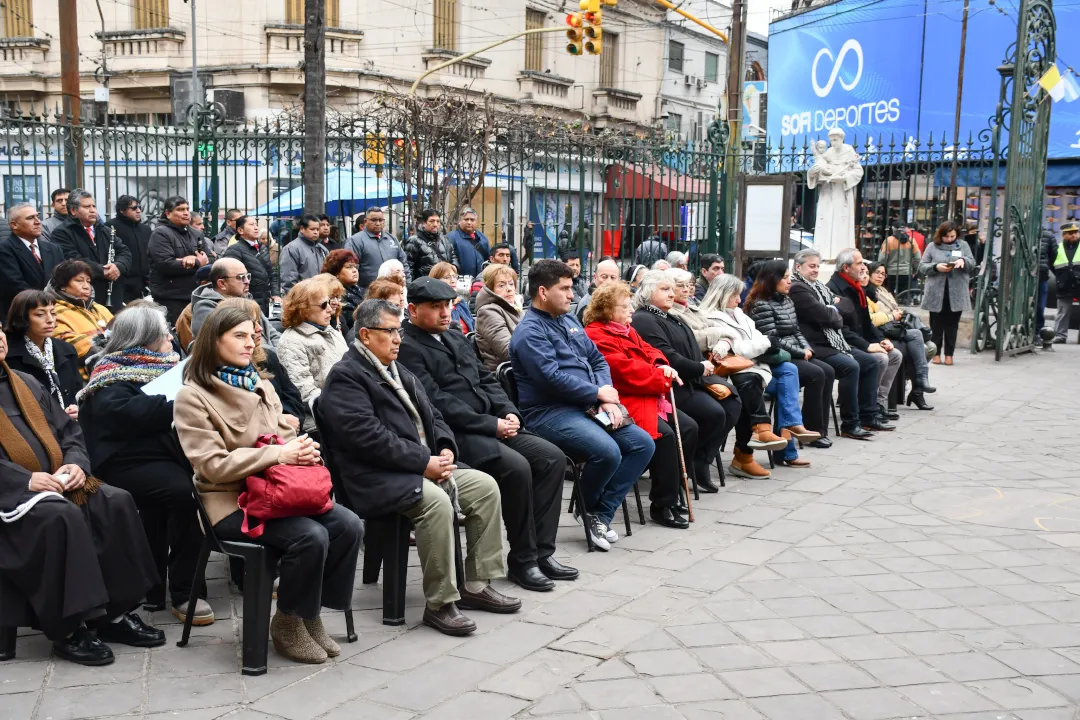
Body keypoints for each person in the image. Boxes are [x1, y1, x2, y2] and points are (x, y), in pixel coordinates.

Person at [318, 299, 520, 635]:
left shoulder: (398, 370)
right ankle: (440, 603)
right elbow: (368, 439)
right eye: (390, 331)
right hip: (377, 477)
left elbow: (435, 416)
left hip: (419, 465)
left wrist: (444, 449)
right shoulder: (346, 376)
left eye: (398, 331)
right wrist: (422, 462)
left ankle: (474, 585)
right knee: (437, 504)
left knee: (485, 487)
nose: (398, 338)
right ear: (365, 335)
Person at [174, 305, 361, 663]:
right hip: (231, 503)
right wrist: (278, 455)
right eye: (239, 336)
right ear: (214, 341)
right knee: (311, 535)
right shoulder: (192, 396)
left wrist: (300, 447)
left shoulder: (258, 382)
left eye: (252, 334)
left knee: (348, 525)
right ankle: (288, 623)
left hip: (279, 491)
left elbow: (281, 436)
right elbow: (211, 466)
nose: (250, 342)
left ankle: (308, 613)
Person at [0, 323, 164, 667]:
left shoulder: (26, 382)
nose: (0, 338)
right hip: (12, 496)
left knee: (115, 501)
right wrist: (26, 481)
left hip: (58, 481)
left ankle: (114, 616)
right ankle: (69, 628)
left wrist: (75, 465)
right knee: (60, 517)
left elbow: (69, 431)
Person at [398, 278, 572, 591]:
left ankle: (543, 553)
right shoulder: (407, 347)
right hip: (459, 435)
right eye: (435, 307)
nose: (445, 313)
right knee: (517, 468)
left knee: (551, 458)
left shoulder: (454, 337)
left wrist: (508, 413)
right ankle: (524, 560)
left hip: (495, 423)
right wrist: (490, 425)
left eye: (448, 305)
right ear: (413, 309)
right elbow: (436, 402)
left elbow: (487, 380)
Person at [77, 303, 213, 626]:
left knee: (184, 488)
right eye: (161, 333)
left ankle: (157, 588)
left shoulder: (166, 363)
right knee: (186, 494)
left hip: (164, 454)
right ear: (143, 338)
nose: (169, 337)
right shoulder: (110, 369)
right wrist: (179, 401)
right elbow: (124, 414)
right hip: (123, 460)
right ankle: (184, 591)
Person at [510, 260, 654, 550]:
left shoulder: (569, 320)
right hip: (549, 412)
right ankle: (589, 510)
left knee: (642, 444)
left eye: (571, 287)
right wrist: (598, 395)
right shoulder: (529, 332)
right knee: (608, 452)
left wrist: (605, 396)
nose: (572, 295)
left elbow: (597, 360)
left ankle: (598, 513)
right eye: (564, 288)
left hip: (586, 405)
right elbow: (551, 378)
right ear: (542, 292)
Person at [583, 281, 695, 529]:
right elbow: (624, 371)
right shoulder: (597, 334)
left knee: (688, 428)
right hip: (625, 398)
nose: (631, 310)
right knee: (665, 437)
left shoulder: (626, 329)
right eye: (625, 307)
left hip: (646, 393)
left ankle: (673, 491)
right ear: (608, 311)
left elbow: (649, 350)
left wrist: (659, 364)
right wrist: (661, 377)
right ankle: (662, 504)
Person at [711, 271, 820, 469]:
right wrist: (767, 343)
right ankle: (769, 446)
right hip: (738, 371)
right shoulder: (712, 317)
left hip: (756, 365)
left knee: (789, 370)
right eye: (734, 295)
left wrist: (771, 343)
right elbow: (740, 348)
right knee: (760, 386)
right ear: (722, 294)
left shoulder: (739, 314)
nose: (738, 299)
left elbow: (764, 336)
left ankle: (789, 432)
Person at [789, 249, 887, 440]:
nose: (816, 270)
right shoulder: (798, 288)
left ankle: (868, 416)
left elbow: (848, 308)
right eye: (811, 266)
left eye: (818, 266)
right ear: (798, 267)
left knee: (870, 362)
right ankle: (850, 424)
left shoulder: (818, 286)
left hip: (833, 341)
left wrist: (832, 311)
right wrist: (833, 310)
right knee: (851, 366)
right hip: (816, 345)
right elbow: (824, 315)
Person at [743, 260, 835, 449]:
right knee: (816, 374)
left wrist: (806, 349)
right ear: (772, 279)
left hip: (796, 352)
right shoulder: (761, 304)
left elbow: (796, 330)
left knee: (828, 370)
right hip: (776, 355)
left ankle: (819, 429)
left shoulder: (787, 300)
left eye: (789, 277)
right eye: (785, 278)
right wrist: (800, 352)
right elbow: (772, 339)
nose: (789, 281)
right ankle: (809, 427)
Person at [828, 249, 902, 423]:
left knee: (895, 355)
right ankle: (866, 408)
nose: (863, 267)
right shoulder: (835, 289)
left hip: (859, 340)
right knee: (879, 359)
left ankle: (878, 403)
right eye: (859, 263)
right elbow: (842, 329)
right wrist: (867, 346)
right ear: (846, 268)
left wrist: (881, 340)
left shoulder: (857, 288)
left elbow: (867, 323)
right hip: (844, 343)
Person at [220, 297, 304, 428]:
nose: (259, 329)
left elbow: (293, 396)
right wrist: (279, 420)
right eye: (253, 324)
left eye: (259, 322)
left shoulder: (268, 356)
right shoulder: (223, 373)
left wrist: (291, 419)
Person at [4, 289, 84, 420]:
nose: (50, 320)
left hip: (68, 427)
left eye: (53, 313)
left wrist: (76, 407)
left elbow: (77, 391)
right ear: (22, 317)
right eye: (40, 314)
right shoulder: (7, 353)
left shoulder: (67, 349)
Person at [276, 278, 349, 421]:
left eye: (329, 302)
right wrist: (346, 409)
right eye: (323, 305)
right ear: (304, 309)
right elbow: (304, 391)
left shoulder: (330, 331)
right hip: (321, 421)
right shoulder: (291, 342)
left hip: (348, 406)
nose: (329, 308)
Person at [866, 261, 936, 410]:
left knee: (931, 347)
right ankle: (918, 386)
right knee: (921, 347)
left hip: (894, 329)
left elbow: (895, 310)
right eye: (877, 272)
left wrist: (896, 315)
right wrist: (892, 315)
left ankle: (917, 386)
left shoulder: (884, 291)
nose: (880, 276)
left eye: (883, 274)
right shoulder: (868, 292)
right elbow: (872, 319)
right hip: (883, 333)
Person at [52, 189, 132, 313]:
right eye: (87, 207)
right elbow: (73, 259)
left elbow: (124, 252)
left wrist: (118, 266)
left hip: (113, 294)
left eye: (93, 206)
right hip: (85, 295)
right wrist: (102, 270)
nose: (93, 210)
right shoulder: (62, 233)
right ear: (73, 211)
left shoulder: (105, 230)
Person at [190, 257, 281, 349]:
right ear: (222, 284)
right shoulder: (206, 309)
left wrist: (283, 352)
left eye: (247, 276)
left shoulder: (247, 298)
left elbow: (272, 333)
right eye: (241, 277)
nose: (247, 281)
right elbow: (233, 348)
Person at [920, 221, 976, 363]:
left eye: (953, 236)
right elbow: (922, 266)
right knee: (936, 324)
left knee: (952, 324)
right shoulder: (932, 246)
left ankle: (949, 355)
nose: (950, 239)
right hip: (936, 291)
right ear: (941, 235)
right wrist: (936, 267)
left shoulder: (963, 245)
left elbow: (972, 263)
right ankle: (936, 354)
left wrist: (963, 261)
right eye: (947, 237)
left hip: (956, 291)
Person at [147, 196, 209, 324]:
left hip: (195, 296)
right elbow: (166, 264)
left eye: (187, 209)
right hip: (171, 298)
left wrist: (194, 260)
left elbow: (211, 258)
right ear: (168, 213)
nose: (186, 213)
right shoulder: (160, 234)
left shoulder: (196, 234)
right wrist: (198, 263)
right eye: (180, 209)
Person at [49, 260, 114, 380]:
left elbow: (125, 334)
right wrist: (113, 345)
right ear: (62, 285)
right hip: (85, 381)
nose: (86, 286)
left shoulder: (100, 308)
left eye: (88, 281)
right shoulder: (53, 312)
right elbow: (70, 344)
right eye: (79, 281)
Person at [0, 203, 65, 321]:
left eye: (37, 216)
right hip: (23, 317)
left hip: (57, 313)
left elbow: (64, 280)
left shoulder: (53, 249)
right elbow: (15, 285)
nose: (37, 221)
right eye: (30, 218)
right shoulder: (5, 250)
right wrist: (46, 303)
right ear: (14, 225)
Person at [345, 207, 411, 295]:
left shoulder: (391, 239)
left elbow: (404, 265)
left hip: (394, 294)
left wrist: (407, 287)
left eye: (381, 220)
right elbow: (349, 269)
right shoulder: (355, 241)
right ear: (365, 222)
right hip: (367, 294)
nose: (378, 223)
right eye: (374, 220)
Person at [475, 263, 522, 371]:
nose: (509, 289)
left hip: (523, 368)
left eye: (511, 284)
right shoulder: (487, 311)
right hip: (505, 376)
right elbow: (508, 351)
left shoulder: (516, 306)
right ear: (491, 290)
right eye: (501, 285)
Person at [106, 195, 152, 304]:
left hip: (142, 283)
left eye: (139, 208)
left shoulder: (145, 229)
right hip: (121, 281)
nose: (138, 211)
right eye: (134, 208)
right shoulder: (110, 227)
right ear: (122, 210)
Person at [280, 214, 329, 294]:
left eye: (317, 229)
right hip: (302, 299)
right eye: (312, 229)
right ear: (302, 229)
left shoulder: (322, 249)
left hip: (322, 297)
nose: (316, 232)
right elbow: (289, 281)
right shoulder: (291, 249)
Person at [405, 209, 458, 280]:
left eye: (438, 221)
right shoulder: (414, 241)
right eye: (432, 221)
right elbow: (408, 266)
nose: (435, 224)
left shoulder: (445, 239)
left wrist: (454, 267)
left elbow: (453, 256)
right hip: (425, 285)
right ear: (424, 223)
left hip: (445, 284)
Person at [323, 249, 363, 335]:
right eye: (349, 267)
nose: (354, 270)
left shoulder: (359, 291)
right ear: (336, 272)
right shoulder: (330, 294)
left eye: (356, 267)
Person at [1052, 222, 1080, 344]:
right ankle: (1060, 335)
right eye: (1070, 233)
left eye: (1076, 232)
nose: (1074, 235)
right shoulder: (1057, 248)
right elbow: (1052, 265)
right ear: (1064, 235)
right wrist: (1061, 277)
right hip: (1064, 284)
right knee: (1063, 311)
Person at [430, 262, 474, 333]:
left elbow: (472, 325)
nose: (453, 280)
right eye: (447, 277)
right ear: (436, 281)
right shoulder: (433, 305)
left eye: (454, 276)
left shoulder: (460, 302)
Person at [448, 207, 492, 278]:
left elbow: (489, 259)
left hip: (480, 281)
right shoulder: (451, 237)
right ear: (460, 221)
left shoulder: (483, 238)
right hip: (460, 281)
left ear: (476, 222)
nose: (469, 222)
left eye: (472, 220)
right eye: (466, 219)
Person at [575, 257, 622, 323]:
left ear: (618, 279)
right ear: (595, 277)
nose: (608, 281)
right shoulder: (587, 304)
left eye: (613, 277)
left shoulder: (621, 298)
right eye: (604, 277)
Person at [876, 228, 920, 295]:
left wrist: (884, 270)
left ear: (893, 229)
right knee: (905, 296)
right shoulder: (911, 240)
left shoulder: (889, 240)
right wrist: (914, 270)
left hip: (892, 272)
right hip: (906, 272)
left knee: (890, 296)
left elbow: (882, 259)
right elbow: (918, 258)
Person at [1038, 228, 1056, 332]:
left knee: (1040, 307)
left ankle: (1037, 331)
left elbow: (1053, 258)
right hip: (1022, 277)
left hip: (1042, 276)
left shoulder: (1048, 236)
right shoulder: (1020, 233)